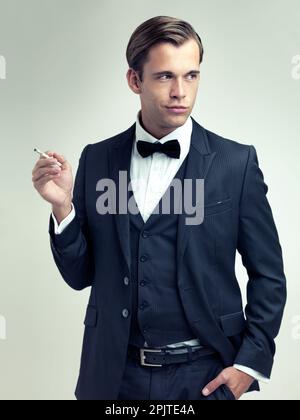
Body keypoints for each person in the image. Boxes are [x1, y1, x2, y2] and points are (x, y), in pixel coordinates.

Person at [32, 16, 286, 400]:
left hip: (206, 376)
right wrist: (63, 207)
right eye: (165, 76)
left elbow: (268, 274)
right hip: (115, 377)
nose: (180, 92)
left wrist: (247, 365)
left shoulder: (237, 163)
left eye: (191, 76)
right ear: (135, 80)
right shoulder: (98, 159)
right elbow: (80, 274)